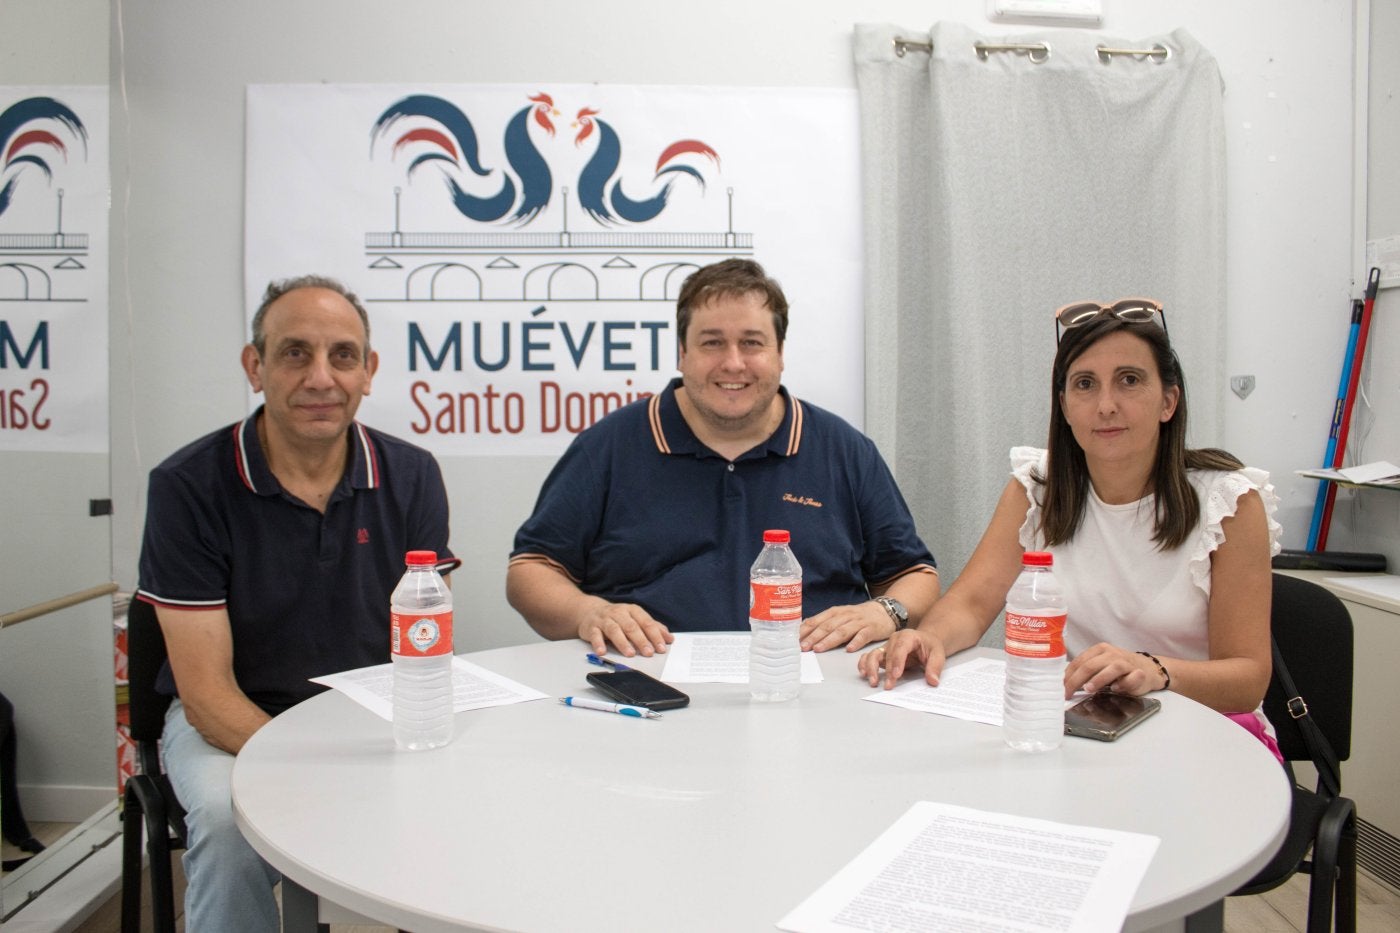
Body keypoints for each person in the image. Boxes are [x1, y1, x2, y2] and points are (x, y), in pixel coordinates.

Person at [135, 275, 454, 932]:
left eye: (343, 355)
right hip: (226, 728)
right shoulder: (186, 486)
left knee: (467, 799)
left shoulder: (414, 474)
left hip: (366, 718)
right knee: (230, 825)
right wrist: (310, 771)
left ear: (369, 371)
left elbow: (423, 644)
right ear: (255, 366)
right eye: (294, 353)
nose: (321, 377)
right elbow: (205, 695)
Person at [861, 298, 1281, 727]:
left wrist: (1154, 670)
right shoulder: (1036, 490)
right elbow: (971, 603)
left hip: (1203, 733)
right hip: (1082, 728)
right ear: (1063, 406)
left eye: (1129, 380)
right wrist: (928, 638)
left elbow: (1247, 679)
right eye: (1085, 384)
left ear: (1168, 402)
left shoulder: (1228, 502)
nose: (1105, 405)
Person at [508, 258, 938, 658]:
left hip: (812, 681)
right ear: (682, 352)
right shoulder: (608, 446)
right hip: (646, 683)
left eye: (752, 343)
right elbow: (530, 572)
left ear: (780, 353)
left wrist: (886, 611)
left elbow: (915, 574)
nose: (733, 363)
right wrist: (588, 613)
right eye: (712, 343)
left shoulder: (844, 450)